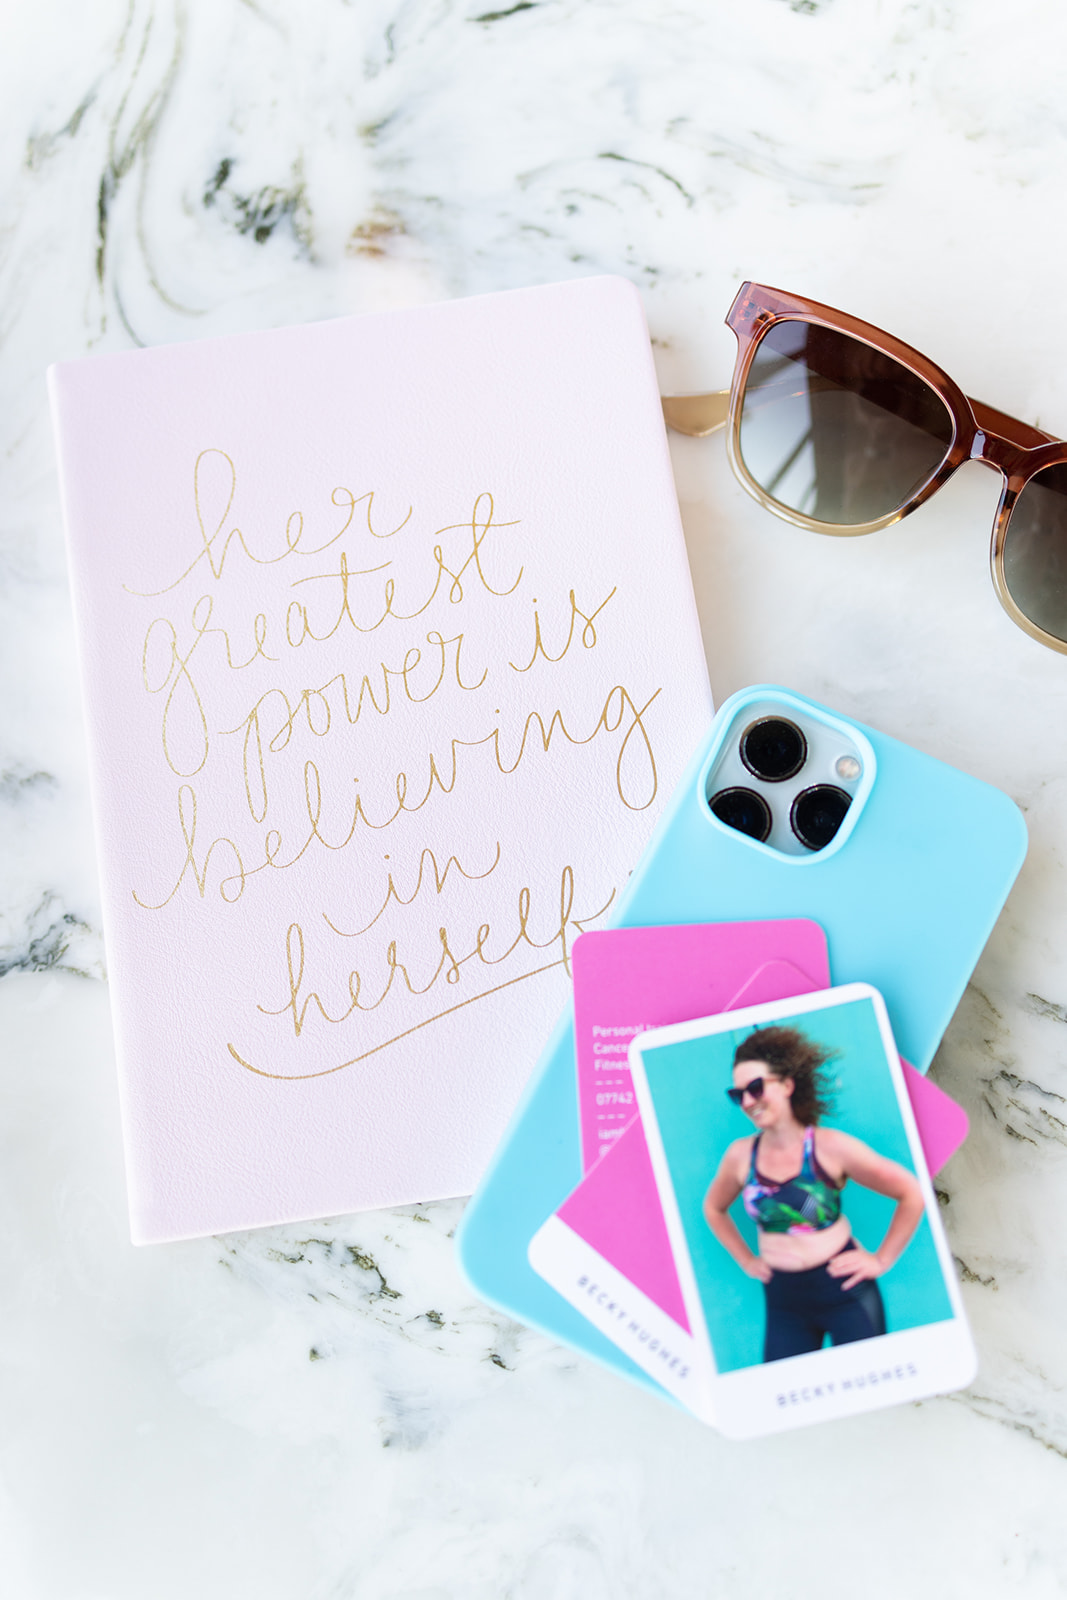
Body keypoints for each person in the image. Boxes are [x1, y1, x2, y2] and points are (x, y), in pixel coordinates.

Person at [702, 1024, 924, 1364]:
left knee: (871, 1385)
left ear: (788, 1085)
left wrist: (881, 1260)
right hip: (783, 1301)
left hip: (844, 1291)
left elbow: (911, 1192)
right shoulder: (739, 1155)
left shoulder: (830, 1147)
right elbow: (714, 1208)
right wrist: (746, 1261)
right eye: (738, 1094)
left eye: (756, 1088)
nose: (747, 1101)